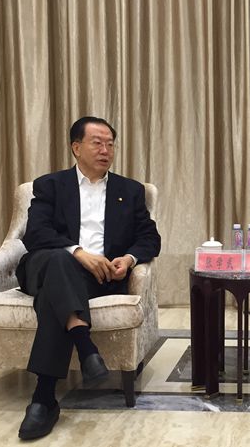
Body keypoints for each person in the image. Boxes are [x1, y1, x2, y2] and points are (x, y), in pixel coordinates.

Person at [15, 116, 161, 440]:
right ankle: (84, 346)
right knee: (59, 260)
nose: (105, 150)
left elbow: (150, 239)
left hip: (97, 278)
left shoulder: (130, 191)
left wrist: (128, 259)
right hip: (45, 265)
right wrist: (78, 252)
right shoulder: (50, 185)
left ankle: (43, 398)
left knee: (53, 298)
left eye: (110, 144)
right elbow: (35, 234)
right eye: (97, 143)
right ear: (76, 147)